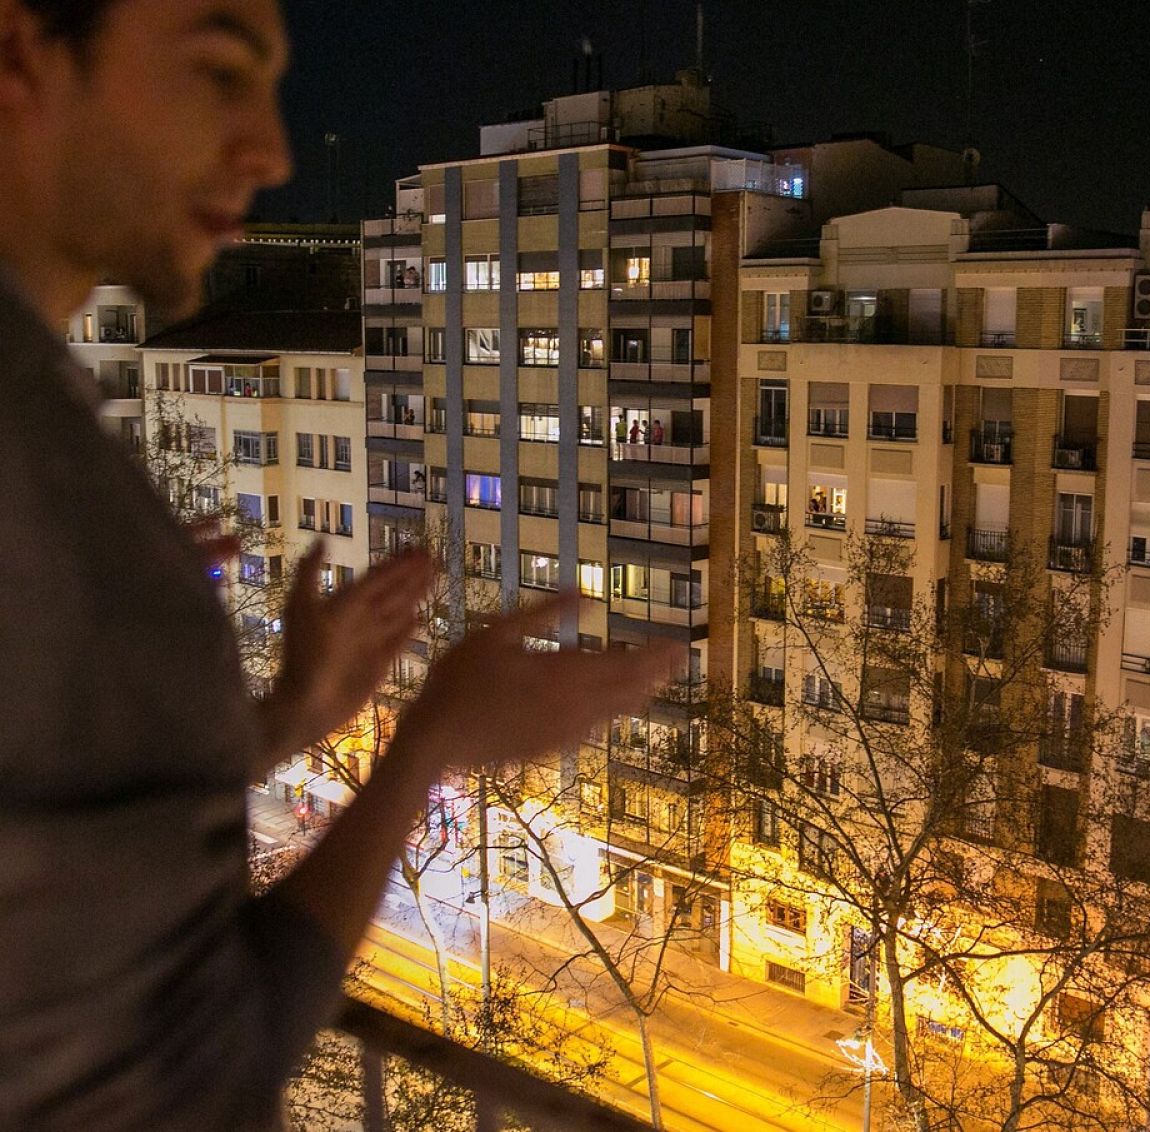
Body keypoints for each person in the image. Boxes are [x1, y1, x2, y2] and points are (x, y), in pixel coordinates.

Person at [0, 2, 673, 1128]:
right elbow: (199, 1068)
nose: (267, 150)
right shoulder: (37, 475)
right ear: (20, 52)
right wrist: (428, 745)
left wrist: (280, 720)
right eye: (218, 72)